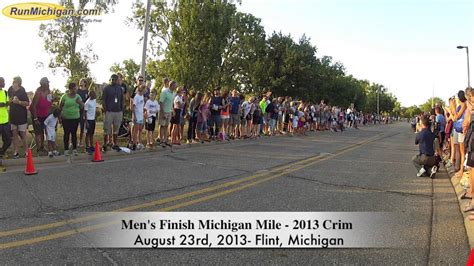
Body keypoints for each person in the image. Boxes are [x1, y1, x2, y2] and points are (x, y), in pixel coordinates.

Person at [59, 82, 84, 156]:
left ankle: (74, 149)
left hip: (75, 118)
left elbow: (82, 106)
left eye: (76, 89)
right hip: (66, 118)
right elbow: (60, 106)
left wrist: (80, 103)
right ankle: (66, 149)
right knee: (66, 133)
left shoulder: (78, 97)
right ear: (70, 89)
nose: (76, 90)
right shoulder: (64, 97)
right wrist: (60, 117)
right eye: (75, 89)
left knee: (74, 133)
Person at [8, 76, 29, 159]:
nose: (13, 83)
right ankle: (16, 152)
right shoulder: (10, 89)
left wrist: (19, 102)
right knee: (14, 135)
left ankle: (27, 152)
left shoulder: (22, 90)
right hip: (12, 116)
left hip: (22, 117)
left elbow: (27, 103)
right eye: (13, 81)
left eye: (15, 81)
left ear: (19, 83)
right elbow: (8, 100)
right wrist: (10, 101)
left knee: (23, 135)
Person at [30, 77, 53, 154]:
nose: (48, 84)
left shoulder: (49, 91)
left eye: (48, 83)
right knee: (38, 132)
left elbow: (49, 104)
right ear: (43, 84)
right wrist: (35, 118)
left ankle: (42, 147)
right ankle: (38, 148)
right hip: (37, 115)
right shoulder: (38, 92)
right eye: (47, 83)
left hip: (45, 115)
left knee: (43, 131)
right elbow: (33, 106)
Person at [102, 74, 124, 152]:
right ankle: (105, 144)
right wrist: (105, 110)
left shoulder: (119, 88)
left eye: (115, 79)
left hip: (118, 111)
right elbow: (103, 100)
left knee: (116, 129)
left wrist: (121, 109)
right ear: (110, 79)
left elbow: (122, 99)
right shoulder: (106, 88)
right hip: (109, 111)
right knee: (107, 128)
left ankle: (115, 143)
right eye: (112, 79)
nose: (114, 81)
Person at [159, 80, 176, 147]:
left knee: (166, 126)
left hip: (169, 111)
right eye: (175, 85)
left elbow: (171, 103)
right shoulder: (164, 92)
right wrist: (163, 113)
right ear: (171, 85)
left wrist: (173, 110)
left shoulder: (173, 93)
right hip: (164, 111)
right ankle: (161, 141)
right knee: (162, 126)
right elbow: (161, 102)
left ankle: (165, 140)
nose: (176, 86)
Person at [0, 77, 11, 165]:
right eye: (2, 82)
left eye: (4, 82)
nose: (4, 83)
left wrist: (7, 103)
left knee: (8, 140)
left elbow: (7, 103)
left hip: (5, 120)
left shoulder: (5, 92)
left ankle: (1, 152)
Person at [131, 84, 146, 150]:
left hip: (141, 115)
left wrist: (143, 114)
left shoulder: (142, 96)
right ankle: (134, 143)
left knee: (140, 130)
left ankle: (139, 142)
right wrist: (134, 116)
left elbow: (142, 106)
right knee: (136, 130)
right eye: (145, 89)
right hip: (137, 115)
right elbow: (133, 107)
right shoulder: (136, 97)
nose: (146, 90)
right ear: (142, 89)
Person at [77, 78, 89, 148]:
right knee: (74, 127)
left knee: (82, 127)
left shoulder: (87, 91)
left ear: (85, 83)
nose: (80, 82)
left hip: (83, 112)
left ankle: (80, 142)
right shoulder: (77, 91)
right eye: (80, 81)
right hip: (76, 110)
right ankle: (73, 142)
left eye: (82, 81)